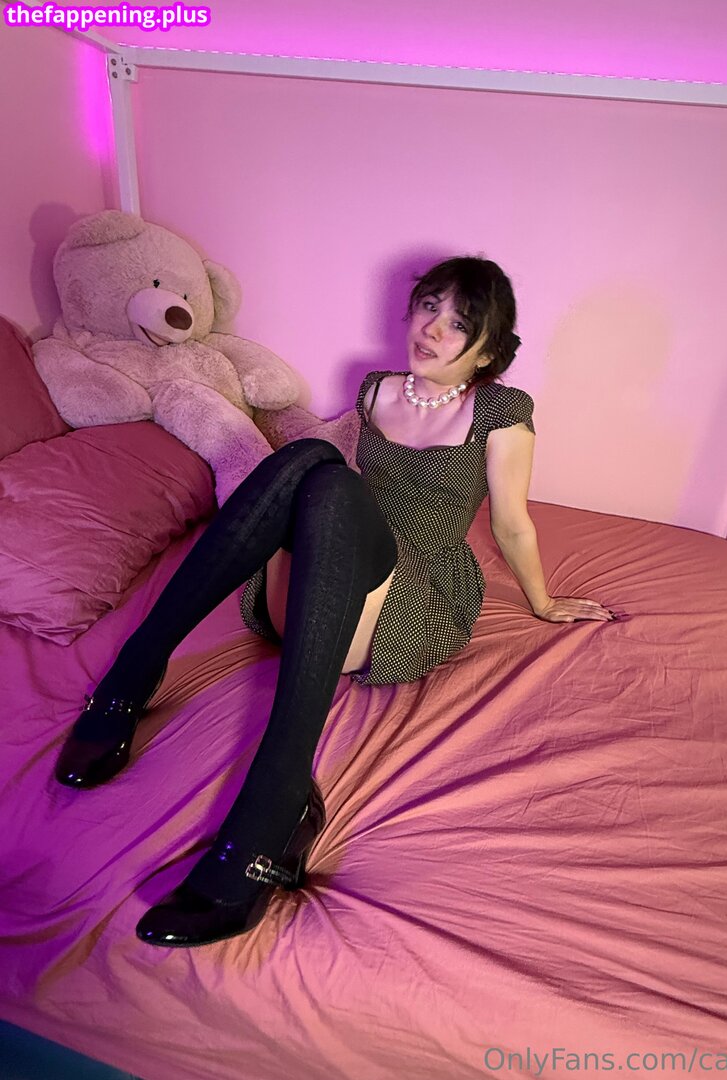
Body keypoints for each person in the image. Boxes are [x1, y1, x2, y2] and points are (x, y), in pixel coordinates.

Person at [54, 256, 617, 949]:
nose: (433, 329)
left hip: (407, 601)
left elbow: (511, 525)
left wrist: (544, 601)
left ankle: (274, 802)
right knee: (307, 464)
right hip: (325, 584)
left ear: (487, 352)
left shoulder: (502, 413)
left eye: (459, 323)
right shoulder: (375, 387)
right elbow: (323, 495)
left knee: (327, 477)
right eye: (429, 307)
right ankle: (135, 672)